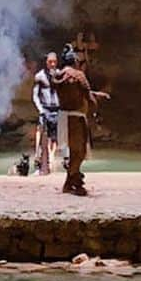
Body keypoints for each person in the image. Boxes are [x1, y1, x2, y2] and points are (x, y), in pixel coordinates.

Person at [51, 43, 110, 196]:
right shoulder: (78, 76)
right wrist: (95, 115)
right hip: (76, 119)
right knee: (80, 152)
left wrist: (98, 94)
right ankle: (71, 182)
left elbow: (74, 93)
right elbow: (87, 96)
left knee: (73, 153)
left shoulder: (58, 77)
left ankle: (72, 181)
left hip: (63, 118)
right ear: (75, 61)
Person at [32, 51, 60, 175]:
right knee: (42, 133)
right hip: (45, 109)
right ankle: (40, 160)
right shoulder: (40, 76)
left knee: (55, 135)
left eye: (54, 62)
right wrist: (40, 109)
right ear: (46, 62)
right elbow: (35, 95)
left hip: (57, 108)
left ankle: (52, 158)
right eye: (50, 62)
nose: (52, 64)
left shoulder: (60, 74)